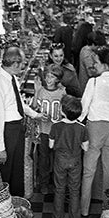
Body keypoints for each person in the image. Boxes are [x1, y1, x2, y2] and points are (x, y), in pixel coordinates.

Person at [0, 47, 45, 197]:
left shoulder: (11, 77)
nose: (23, 67)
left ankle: (16, 202)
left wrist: (34, 114)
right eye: (22, 64)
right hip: (7, 131)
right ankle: (3, 207)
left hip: (16, 129)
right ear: (15, 64)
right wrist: (0, 148)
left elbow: (17, 102)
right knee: (5, 172)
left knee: (16, 169)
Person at [79, 46, 109, 217]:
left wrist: (76, 122)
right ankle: (108, 209)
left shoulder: (94, 82)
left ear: (105, 64)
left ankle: (84, 208)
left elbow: (84, 107)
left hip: (95, 127)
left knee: (88, 169)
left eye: (96, 62)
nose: (94, 65)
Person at [49, 95, 89, 218]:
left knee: (59, 189)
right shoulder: (82, 128)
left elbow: (50, 145)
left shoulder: (56, 126)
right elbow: (86, 148)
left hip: (60, 161)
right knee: (74, 191)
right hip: (75, 161)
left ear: (62, 112)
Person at [33, 64, 66, 194]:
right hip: (44, 131)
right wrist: (36, 91)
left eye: (52, 77)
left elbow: (65, 110)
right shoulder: (41, 91)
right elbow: (35, 106)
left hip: (57, 131)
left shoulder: (62, 92)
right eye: (47, 76)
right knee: (44, 158)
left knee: (58, 158)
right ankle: (44, 183)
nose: (48, 79)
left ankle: (58, 183)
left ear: (58, 79)